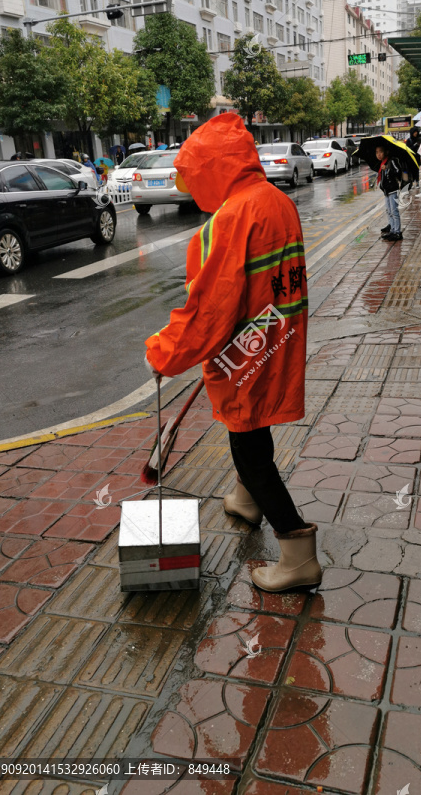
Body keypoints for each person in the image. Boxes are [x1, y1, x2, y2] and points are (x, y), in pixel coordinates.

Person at [145, 113, 321, 593]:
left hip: (244, 352)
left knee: (249, 444)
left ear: (212, 168)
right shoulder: (275, 200)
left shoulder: (230, 219)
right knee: (252, 425)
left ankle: (296, 551)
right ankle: (246, 500)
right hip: (276, 335)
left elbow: (208, 309)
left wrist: (163, 354)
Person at [377, 144, 404, 243]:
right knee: (388, 211)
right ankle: (392, 230)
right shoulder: (382, 163)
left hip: (393, 190)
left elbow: (398, 172)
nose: (378, 154)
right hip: (387, 191)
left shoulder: (391, 161)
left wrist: (388, 169)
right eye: (377, 152)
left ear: (386, 152)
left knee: (394, 211)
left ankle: (397, 232)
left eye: (381, 152)